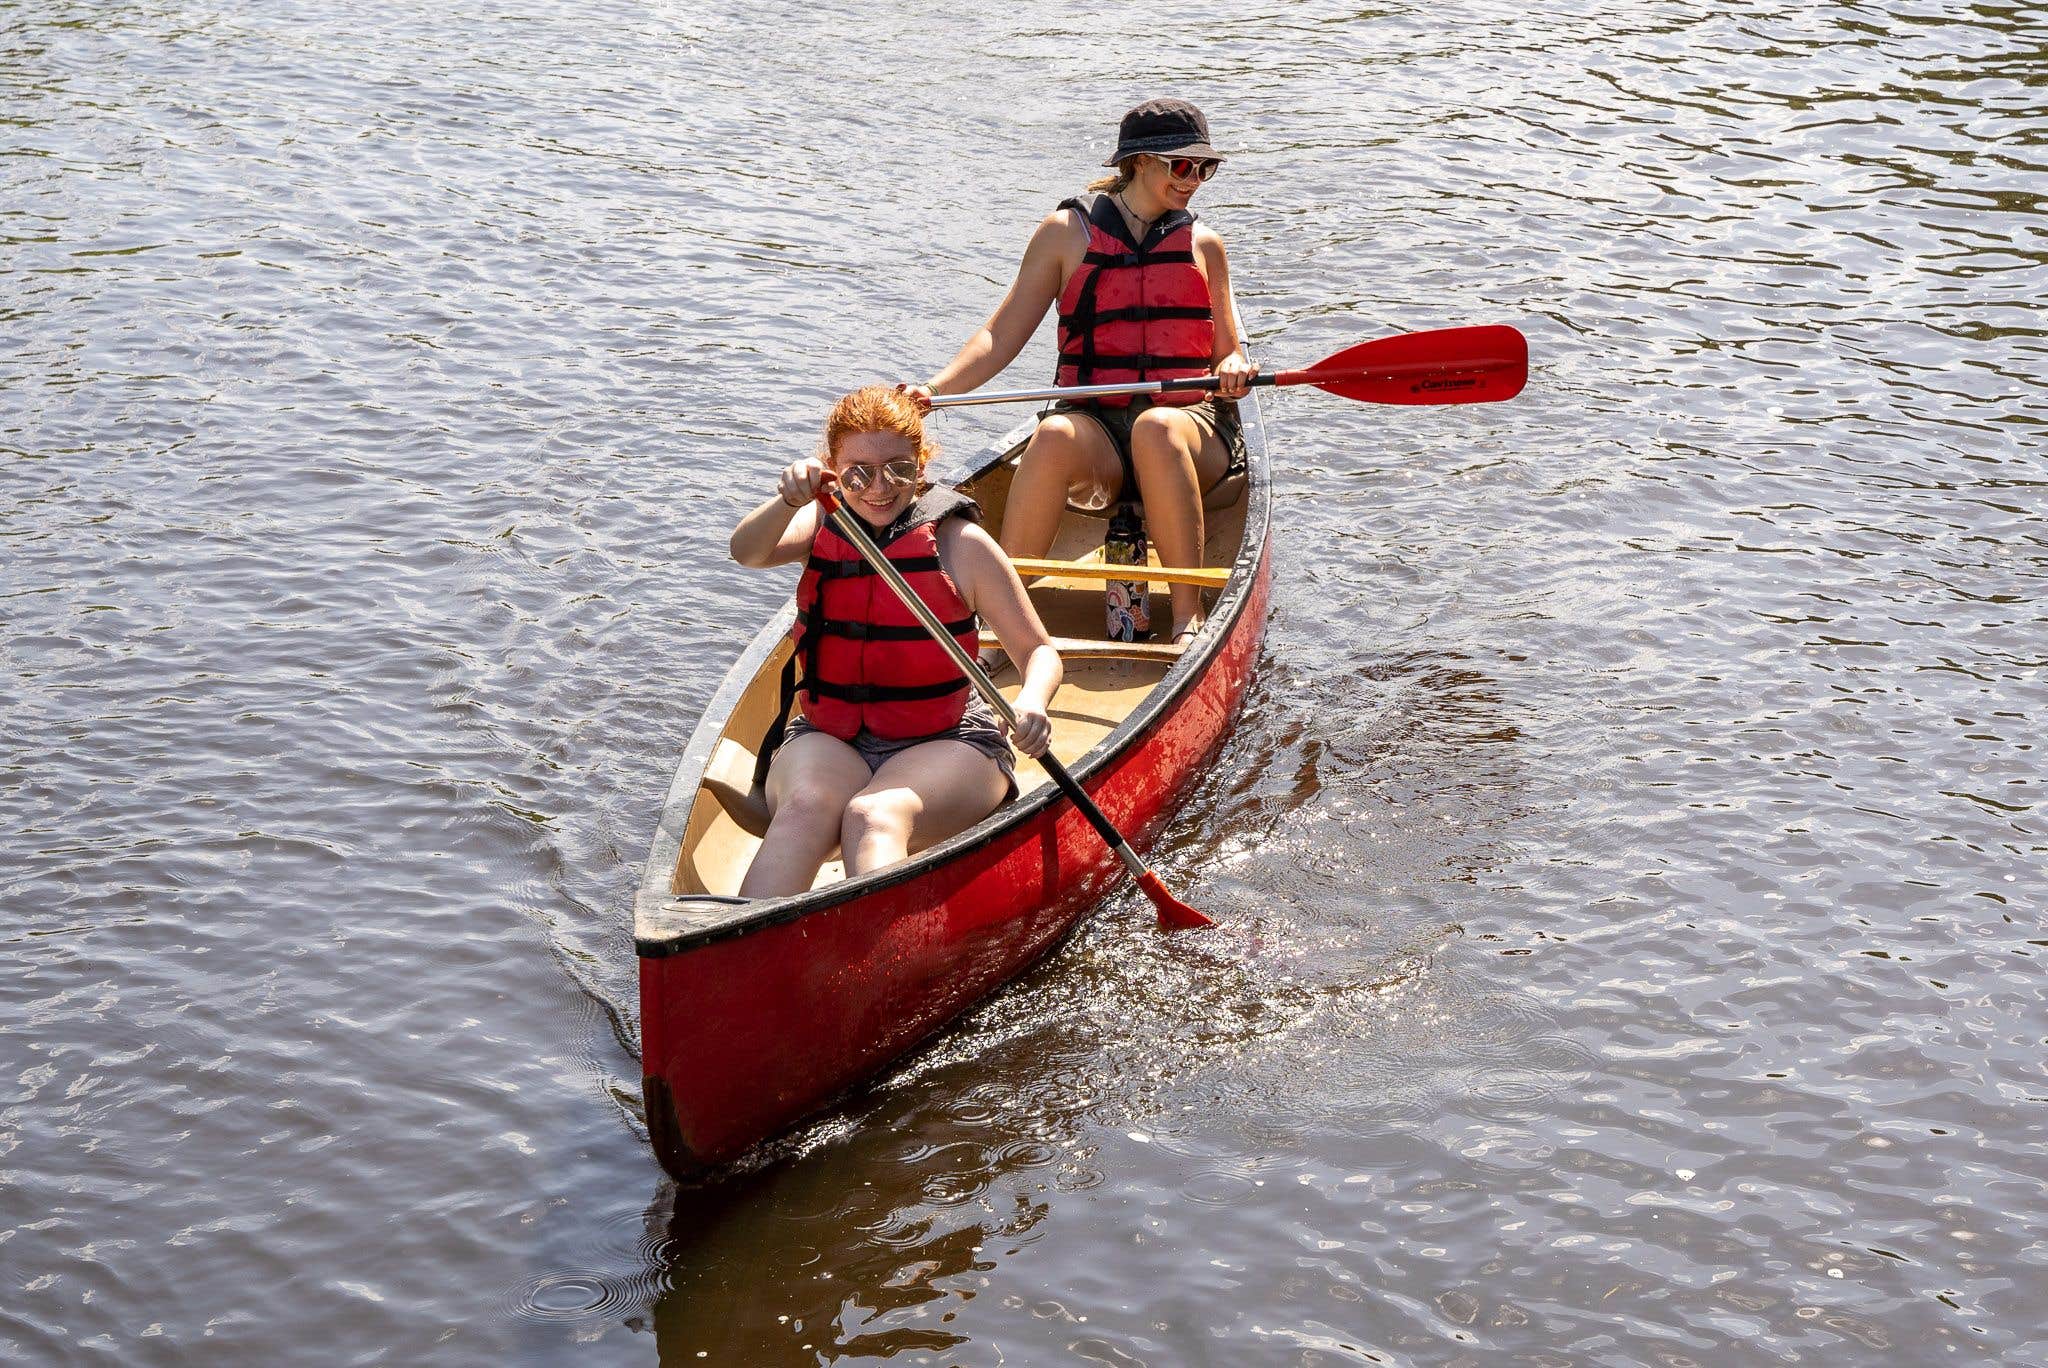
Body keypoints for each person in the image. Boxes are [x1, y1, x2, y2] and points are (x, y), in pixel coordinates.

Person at [906, 97, 1258, 644]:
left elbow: (1228, 353)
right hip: (1099, 436)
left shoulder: (1204, 245)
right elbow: (999, 336)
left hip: (1191, 433)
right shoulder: (1065, 234)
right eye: (1182, 165)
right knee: (1052, 435)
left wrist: (1234, 367)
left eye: (1205, 168)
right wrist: (933, 389)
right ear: (1138, 161)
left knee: (1156, 428)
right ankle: (999, 626)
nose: (1194, 180)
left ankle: (1186, 618)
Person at [729, 385, 1063, 898]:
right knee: (805, 809)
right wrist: (787, 499)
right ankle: (743, 940)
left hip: (948, 740)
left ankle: (880, 944)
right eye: (858, 473)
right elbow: (746, 552)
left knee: (872, 815)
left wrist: (1033, 701)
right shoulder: (819, 520)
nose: (879, 488)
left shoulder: (961, 544)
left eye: (899, 470)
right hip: (830, 736)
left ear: (922, 464)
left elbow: (1038, 652)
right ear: (833, 471)